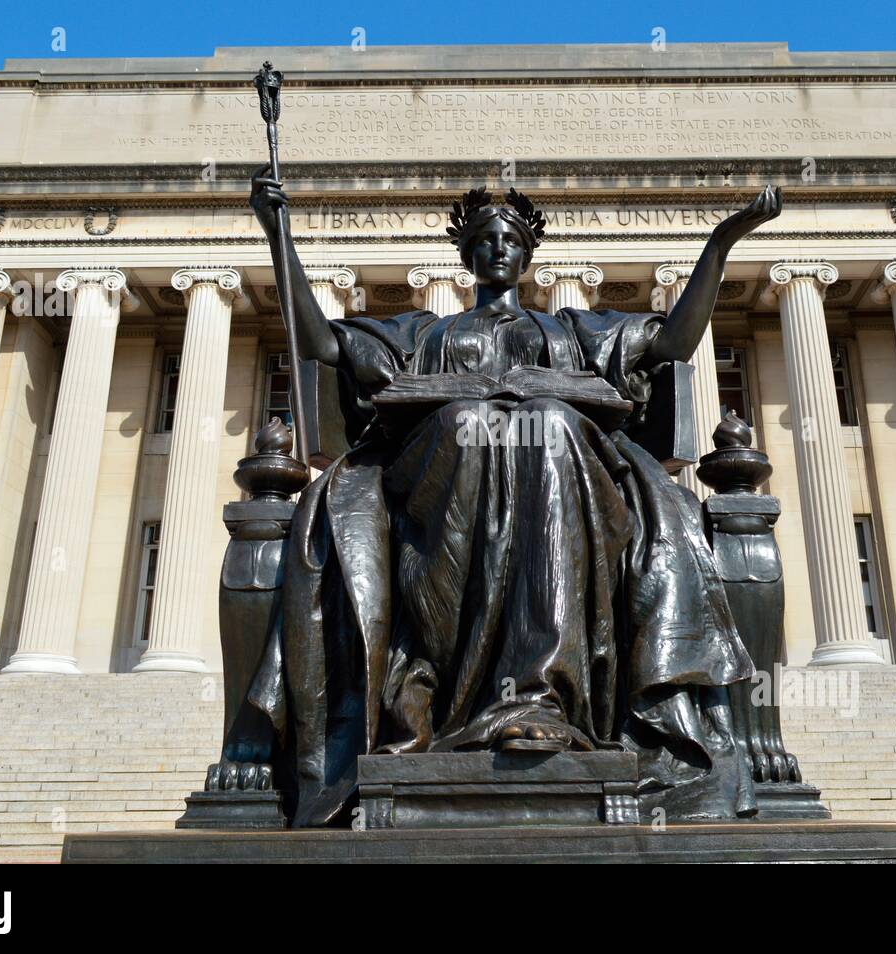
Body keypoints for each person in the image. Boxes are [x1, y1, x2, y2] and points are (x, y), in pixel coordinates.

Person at [243, 171, 783, 825]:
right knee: (473, 421)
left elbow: (670, 343)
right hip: (442, 479)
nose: (499, 249)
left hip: (562, 471)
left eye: (511, 239)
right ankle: (435, 686)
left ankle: (536, 699)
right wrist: (280, 238)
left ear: (528, 256)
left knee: (550, 425)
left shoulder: (573, 333)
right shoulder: (424, 336)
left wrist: (721, 245)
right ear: (467, 256)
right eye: (486, 240)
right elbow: (326, 344)